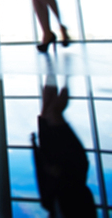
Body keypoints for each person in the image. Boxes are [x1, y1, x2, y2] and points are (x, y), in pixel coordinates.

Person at [31, 83, 96, 217]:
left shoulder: (49, 202)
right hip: (67, 164)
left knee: (48, 112)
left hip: (54, 161)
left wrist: (35, 148)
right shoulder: (52, 202)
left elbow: (41, 174)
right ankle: (62, 76)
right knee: (52, 113)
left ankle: (58, 75)